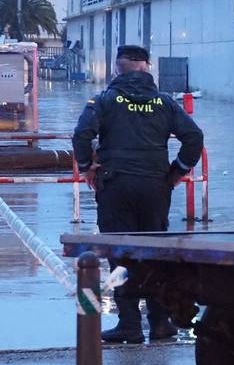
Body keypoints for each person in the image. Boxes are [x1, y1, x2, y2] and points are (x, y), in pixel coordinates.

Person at [72, 45, 203, 343]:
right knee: (154, 253)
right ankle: (159, 322)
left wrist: (87, 166)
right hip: (156, 186)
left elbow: (82, 134)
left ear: (118, 69)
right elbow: (194, 137)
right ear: (146, 68)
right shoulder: (164, 103)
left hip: (116, 186)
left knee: (120, 254)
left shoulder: (105, 100)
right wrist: (177, 171)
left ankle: (129, 323)